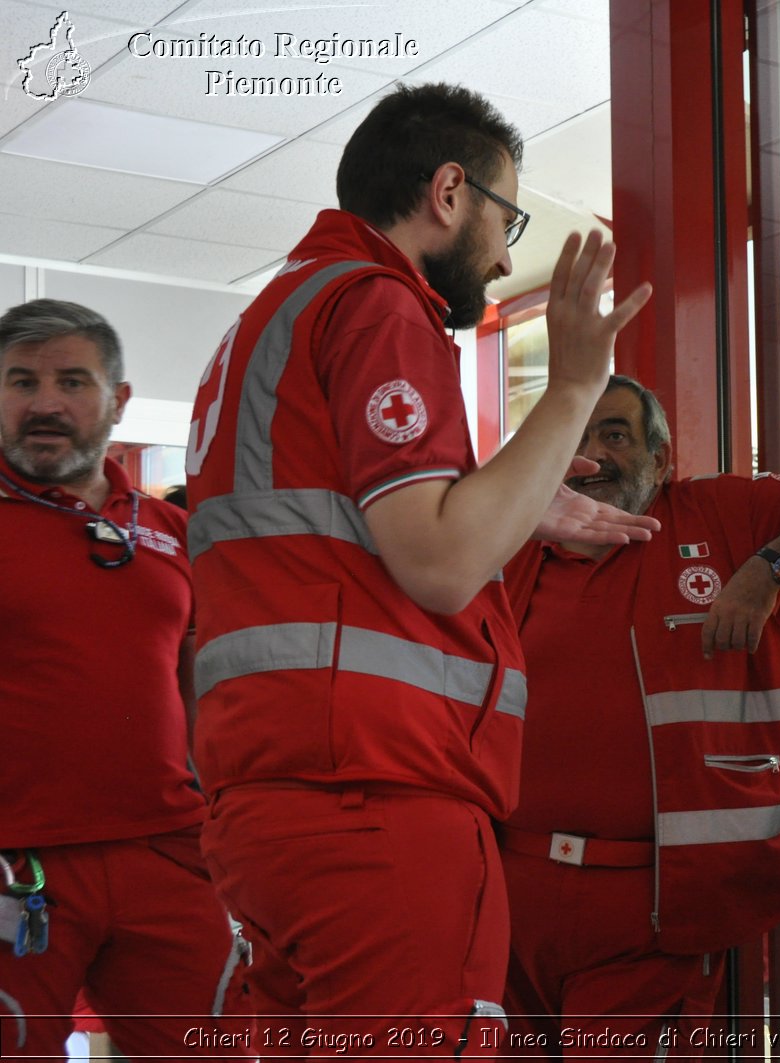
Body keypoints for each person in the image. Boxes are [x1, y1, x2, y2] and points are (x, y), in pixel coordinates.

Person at [183, 82, 656, 1053]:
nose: (506, 255)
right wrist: (571, 388)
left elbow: (348, 534)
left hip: (270, 805)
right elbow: (439, 563)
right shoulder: (376, 305)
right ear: (450, 190)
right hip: (374, 802)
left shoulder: (272, 319)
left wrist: (518, 503)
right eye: (505, 216)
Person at [499, 374, 780, 1055]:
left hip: (655, 908)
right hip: (514, 897)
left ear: (663, 456)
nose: (591, 455)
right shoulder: (511, 549)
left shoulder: (714, 513)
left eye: (615, 435)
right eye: (577, 437)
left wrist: (768, 568)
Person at [0, 299, 246, 1061]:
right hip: (17, 862)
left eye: (72, 380)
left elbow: (195, 686)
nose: (45, 403)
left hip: (169, 854)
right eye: (20, 381)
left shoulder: (170, 533)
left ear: (119, 400)